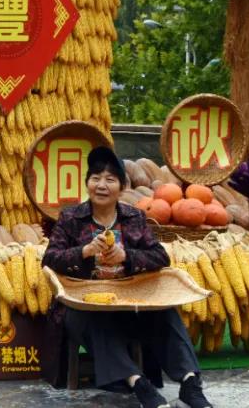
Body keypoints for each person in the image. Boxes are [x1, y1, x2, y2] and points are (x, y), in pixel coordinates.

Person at [40, 146, 212, 408]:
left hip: (130, 300)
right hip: (85, 302)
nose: (101, 185)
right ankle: (138, 384)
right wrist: (84, 251)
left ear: (121, 187)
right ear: (87, 184)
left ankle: (190, 384)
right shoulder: (71, 218)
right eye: (95, 178)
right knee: (91, 320)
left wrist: (127, 257)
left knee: (166, 313)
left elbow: (160, 257)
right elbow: (50, 259)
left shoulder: (134, 217)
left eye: (110, 179)